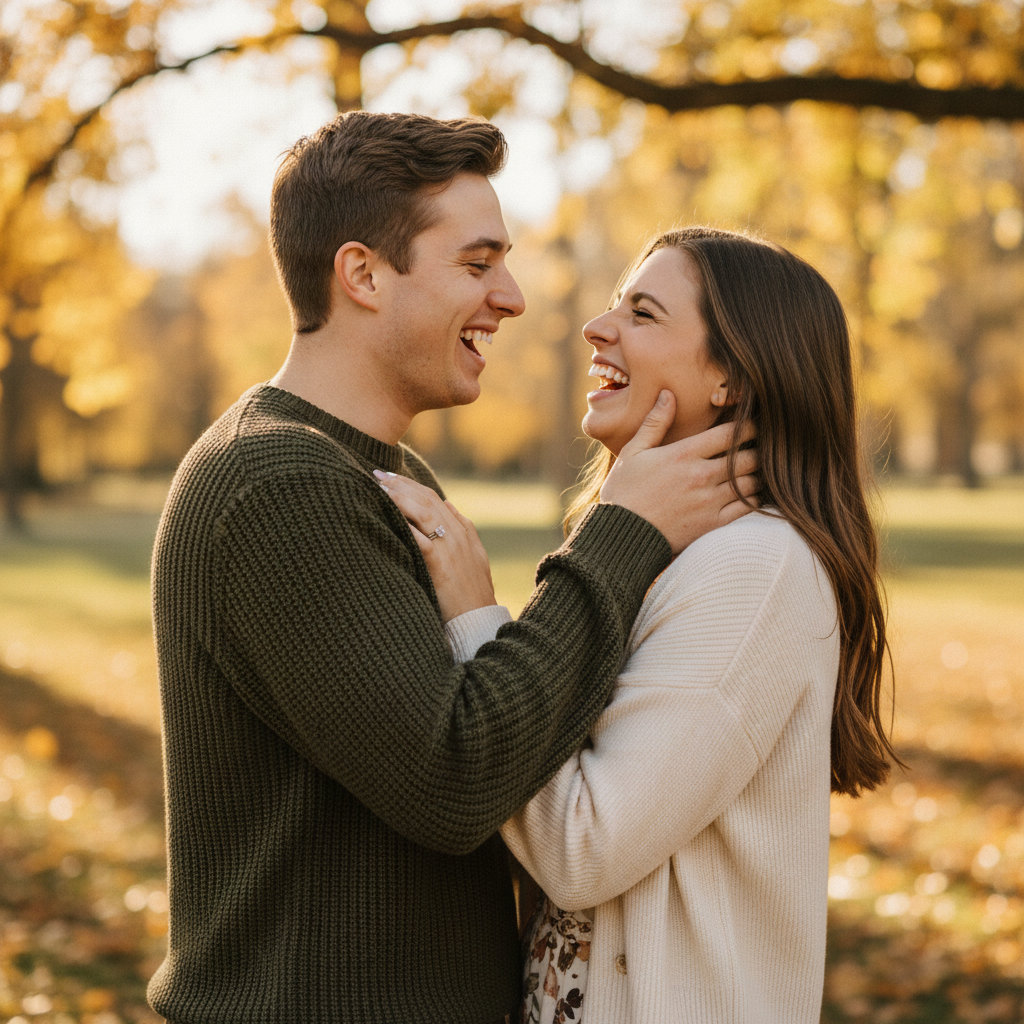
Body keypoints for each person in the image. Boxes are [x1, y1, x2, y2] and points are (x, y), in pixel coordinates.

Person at [147, 114, 758, 1024]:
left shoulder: (381, 474)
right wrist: (620, 534)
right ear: (362, 275)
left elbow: (497, 741)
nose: (511, 298)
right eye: (477, 265)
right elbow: (459, 780)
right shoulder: (276, 485)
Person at [384, 226, 900, 1024]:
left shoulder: (752, 568)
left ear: (729, 377)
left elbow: (582, 849)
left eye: (644, 313)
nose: (597, 328)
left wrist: (477, 617)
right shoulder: (667, 554)